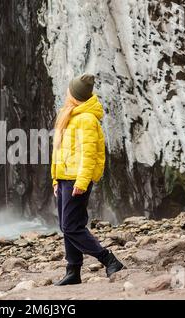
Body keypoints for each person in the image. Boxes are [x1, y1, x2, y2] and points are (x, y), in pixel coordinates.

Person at [51, 74, 125, 286]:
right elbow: (58, 152)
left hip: (76, 180)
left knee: (72, 226)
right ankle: (73, 271)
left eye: (69, 91)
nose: (67, 94)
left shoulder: (87, 119)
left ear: (75, 95)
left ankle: (108, 259)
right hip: (65, 178)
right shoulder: (69, 115)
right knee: (67, 226)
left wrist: (82, 182)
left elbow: (89, 154)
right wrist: (55, 179)